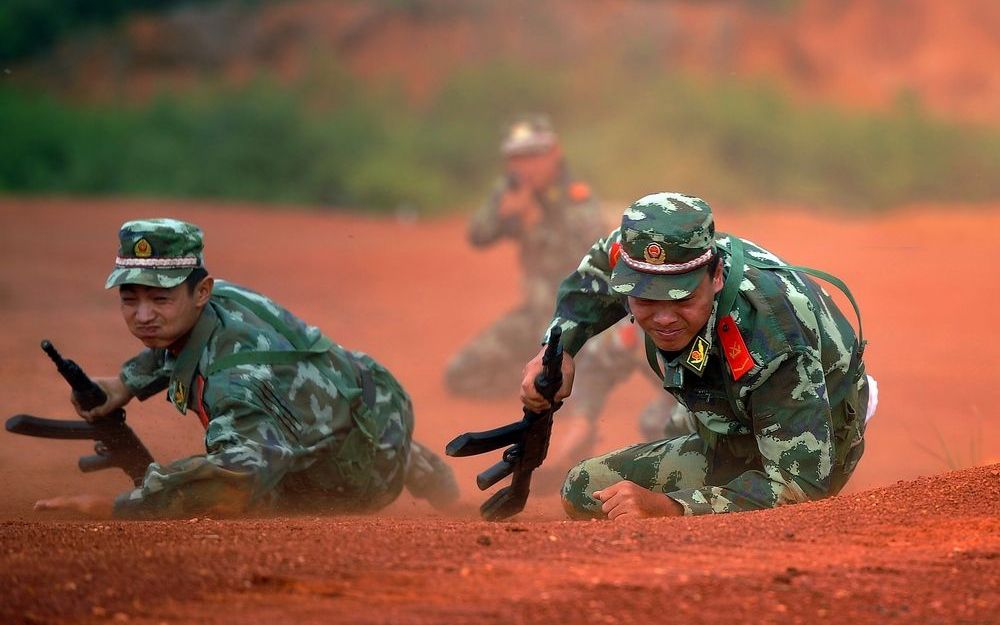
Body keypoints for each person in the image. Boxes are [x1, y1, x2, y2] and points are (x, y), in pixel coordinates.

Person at [34, 219, 458, 519]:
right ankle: (417, 467)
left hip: (360, 472)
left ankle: (393, 465)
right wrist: (125, 382)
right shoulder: (221, 298)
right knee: (313, 422)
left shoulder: (237, 383)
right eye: (130, 299)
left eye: (160, 300)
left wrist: (121, 507)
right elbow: (179, 337)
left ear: (201, 291)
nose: (143, 315)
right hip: (364, 397)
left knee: (244, 505)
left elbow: (239, 475)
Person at [520, 192, 872, 519]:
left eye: (681, 298)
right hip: (721, 407)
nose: (663, 318)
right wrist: (559, 348)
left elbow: (799, 487)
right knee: (586, 489)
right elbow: (598, 268)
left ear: (715, 275)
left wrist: (670, 507)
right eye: (644, 299)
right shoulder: (643, 250)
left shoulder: (773, 336)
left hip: (810, 428)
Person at [443, 114, 607, 399]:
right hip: (534, 315)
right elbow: (477, 235)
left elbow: (590, 261)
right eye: (516, 157)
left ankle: (572, 375)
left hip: (578, 316)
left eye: (533, 155)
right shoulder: (511, 190)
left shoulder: (577, 196)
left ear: (555, 153)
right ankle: (531, 381)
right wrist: (502, 213)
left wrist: (532, 221)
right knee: (460, 374)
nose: (525, 166)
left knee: (571, 393)